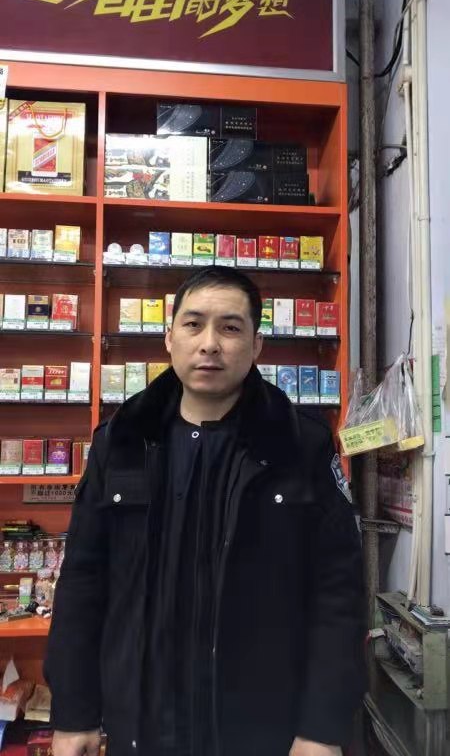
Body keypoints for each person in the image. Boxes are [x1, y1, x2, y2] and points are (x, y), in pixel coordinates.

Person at [46, 266, 365, 756]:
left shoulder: (301, 445)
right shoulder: (121, 442)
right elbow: (82, 582)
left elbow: (337, 593)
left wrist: (322, 728)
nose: (210, 344)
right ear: (169, 338)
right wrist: (73, 714)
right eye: (193, 325)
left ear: (256, 345)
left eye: (230, 328)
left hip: (262, 724)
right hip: (144, 723)